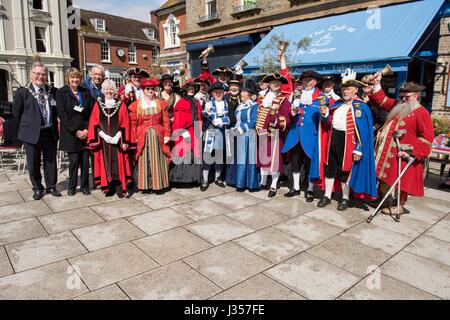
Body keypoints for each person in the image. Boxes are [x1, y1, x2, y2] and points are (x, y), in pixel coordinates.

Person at [369, 73, 434, 215]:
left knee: (402, 181)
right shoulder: (398, 105)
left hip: (403, 153)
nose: (404, 99)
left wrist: (411, 152)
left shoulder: (422, 113)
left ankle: (399, 205)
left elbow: (427, 138)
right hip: (387, 151)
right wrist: (377, 83)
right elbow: (381, 100)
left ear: (416, 95)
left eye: (407, 97)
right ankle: (385, 200)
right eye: (402, 96)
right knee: (384, 176)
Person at [312, 70, 377, 211]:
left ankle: (345, 198)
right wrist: (324, 115)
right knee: (330, 169)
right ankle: (327, 196)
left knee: (345, 171)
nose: (345, 91)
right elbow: (327, 123)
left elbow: (364, 132)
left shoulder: (361, 107)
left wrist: (359, 149)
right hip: (333, 139)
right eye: (343, 89)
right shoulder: (337, 103)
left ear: (355, 90)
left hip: (349, 143)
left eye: (348, 89)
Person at [13, 59, 61, 200]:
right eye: (37, 74)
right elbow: (17, 113)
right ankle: (37, 188)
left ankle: (51, 186)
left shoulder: (53, 92)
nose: (40, 77)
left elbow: (57, 110)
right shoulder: (23, 92)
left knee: (50, 161)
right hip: (31, 133)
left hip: (49, 132)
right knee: (33, 163)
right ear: (31, 74)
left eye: (43, 74)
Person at [282, 70, 325, 201]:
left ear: (315, 82)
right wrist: (294, 108)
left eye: (310, 80)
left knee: (310, 163)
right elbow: (291, 114)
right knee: (295, 162)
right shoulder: (296, 95)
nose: (307, 83)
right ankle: (296, 188)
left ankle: (310, 190)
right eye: (305, 80)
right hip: (296, 134)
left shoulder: (321, 97)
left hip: (311, 136)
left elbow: (325, 118)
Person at [87, 80, 132, 197]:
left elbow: (125, 122)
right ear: (103, 90)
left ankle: (119, 187)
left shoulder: (121, 105)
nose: (109, 91)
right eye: (106, 89)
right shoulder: (98, 105)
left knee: (118, 165)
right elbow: (94, 123)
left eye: (111, 88)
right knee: (105, 165)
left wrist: (117, 136)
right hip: (103, 142)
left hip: (117, 142)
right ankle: (109, 187)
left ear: (115, 90)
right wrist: (104, 136)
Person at [129, 78, 171, 194]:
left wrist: (167, 134)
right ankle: (146, 185)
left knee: (158, 160)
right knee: (144, 160)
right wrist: (134, 137)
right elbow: (133, 123)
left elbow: (166, 121)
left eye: (152, 89)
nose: (150, 91)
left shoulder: (161, 103)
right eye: (147, 89)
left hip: (158, 136)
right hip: (143, 136)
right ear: (143, 90)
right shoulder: (136, 105)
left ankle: (159, 184)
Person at [56, 68, 93, 196]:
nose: (75, 80)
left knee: (85, 161)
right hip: (71, 133)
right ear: (68, 79)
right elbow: (62, 114)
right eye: (72, 77)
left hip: (85, 132)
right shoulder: (61, 93)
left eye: (77, 77)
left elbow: (91, 112)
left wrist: (87, 129)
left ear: (80, 78)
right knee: (74, 161)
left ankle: (84, 186)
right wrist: (76, 131)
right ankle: (72, 186)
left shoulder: (86, 92)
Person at [256, 73, 292, 197]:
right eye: (272, 82)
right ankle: (263, 181)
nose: (275, 84)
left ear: (281, 85)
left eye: (277, 83)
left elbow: (287, 118)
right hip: (262, 132)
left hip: (275, 133)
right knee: (263, 158)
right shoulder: (262, 97)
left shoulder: (284, 99)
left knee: (275, 161)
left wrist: (276, 119)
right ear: (269, 84)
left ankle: (273, 185)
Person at [226, 79, 260, 192]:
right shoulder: (240, 106)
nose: (242, 93)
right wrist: (234, 128)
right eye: (242, 91)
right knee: (239, 158)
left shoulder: (254, 106)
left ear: (249, 94)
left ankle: (249, 183)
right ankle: (238, 182)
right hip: (239, 134)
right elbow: (238, 120)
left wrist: (240, 129)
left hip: (248, 134)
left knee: (247, 158)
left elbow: (253, 121)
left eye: (244, 92)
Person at [169, 79, 203, 184]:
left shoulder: (197, 102)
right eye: (189, 88)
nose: (191, 90)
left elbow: (199, 116)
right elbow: (179, 119)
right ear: (186, 89)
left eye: (193, 89)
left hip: (195, 131)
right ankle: (182, 179)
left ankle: (193, 178)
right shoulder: (182, 102)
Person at [201, 82, 231, 191]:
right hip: (210, 131)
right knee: (207, 154)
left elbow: (228, 119)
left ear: (223, 93)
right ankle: (205, 179)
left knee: (219, 155)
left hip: (221, 131)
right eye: (216, 92)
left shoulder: (226, 103)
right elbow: (204, 114)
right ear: (212, 93)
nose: (218, 94)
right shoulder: (208, 103)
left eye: (220, 92)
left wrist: (220, 120)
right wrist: (210, 116)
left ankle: (217, 178)